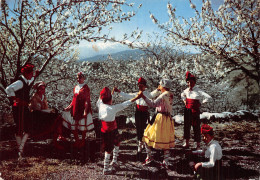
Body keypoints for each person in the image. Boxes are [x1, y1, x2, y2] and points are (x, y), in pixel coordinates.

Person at [96, 87, 140, 175]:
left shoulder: (100, 104)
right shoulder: (112, 109)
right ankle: (106, 168)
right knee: (108, 149)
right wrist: (136, 98)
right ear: (110, 100)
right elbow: (124, 104)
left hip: (105, 129)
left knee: (117, 142)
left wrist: (111, 93)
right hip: (110, 131)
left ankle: (114, 160)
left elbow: (103, 98)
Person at [113, 77, 160, 158]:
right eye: (139, 86)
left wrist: (158, 90)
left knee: (144, 128)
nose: (140, 87)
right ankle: (139, 145)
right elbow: (127, 96)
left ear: (145, 86)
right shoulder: (136, 94)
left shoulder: (147, 94)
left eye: (141, 86)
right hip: (138, 113)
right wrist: (119, 91)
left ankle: (145, 144)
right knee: (138, 129)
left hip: (144, 113)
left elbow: (153, 94)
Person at [5, 63, 38, 159]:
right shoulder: (20, 82)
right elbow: (8, 89)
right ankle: (20, 151)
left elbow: (31, 79)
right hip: (19, 109)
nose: (32, 75)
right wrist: (14, 98)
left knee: (27, 128)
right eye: (31, 73)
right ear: (26, 74)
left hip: (23, 108)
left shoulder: (25, 80)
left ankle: (20, 149)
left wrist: (35, 75)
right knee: (20, 128)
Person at [139, 79, 175, 169]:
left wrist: (143, 96)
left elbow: (153, 104)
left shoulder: (163, 95)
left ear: (163, 86)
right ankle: (165, 161)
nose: (158, 86)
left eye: (160, 85)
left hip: (160, 119)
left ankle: (149, 157)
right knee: (166, 140)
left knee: (147, 135)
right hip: (167, 119)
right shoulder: (170, 94)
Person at [61, 72, 94, 148]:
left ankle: (82, 141)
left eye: (80, 78)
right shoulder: (76, 87)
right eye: (77, 77)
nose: (78, 79)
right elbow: (74, 99)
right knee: (74, 125)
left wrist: (85, 111)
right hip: (75, 108)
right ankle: (77, 140)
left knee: (82, 126)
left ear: (83, 78)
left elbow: (87, 100)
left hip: (82, 108)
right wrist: (69, 107)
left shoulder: (86, 88)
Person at [181, 71, 212, 149]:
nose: (189, 84)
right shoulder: (186, 90)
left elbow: (208, 97)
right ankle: (187, 142)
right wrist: (185, 101)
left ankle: (197, 143)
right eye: (188, 82)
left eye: (191, 82)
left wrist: (201, 103)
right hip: (187, 111)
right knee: (186, 127)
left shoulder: (198, 90)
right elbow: (182, 95)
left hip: (195, 111)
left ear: (194, 82)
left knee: (196, 127)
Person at [28, 81, 62, 147]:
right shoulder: (34, 97)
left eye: (43, 89)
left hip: (42, 113)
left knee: (57, 115)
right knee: (53, 117)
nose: (42, 90)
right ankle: (53, 137)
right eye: (41, 89)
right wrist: (47, 111)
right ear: (38, 89)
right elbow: (37, 109)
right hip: (36, 115)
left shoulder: (43, 97)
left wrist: (49, 110)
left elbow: (45, 107)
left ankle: (58, 135)